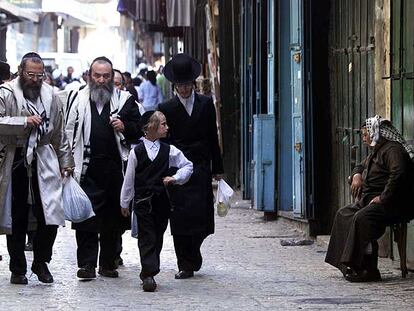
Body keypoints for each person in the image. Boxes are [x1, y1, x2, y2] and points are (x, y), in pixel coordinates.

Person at [0, 52, 74, 284]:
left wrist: (66, 161)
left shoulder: (51, 95)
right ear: (21, 71)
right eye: (30, 74)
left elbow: (59, 132)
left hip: (44, 157)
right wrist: (23, 122)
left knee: (50, 213)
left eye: (39, 75)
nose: (34, 79)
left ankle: (41, 261)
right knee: (17, 214)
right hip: (16, 157)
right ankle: (17, 268)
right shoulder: (6, 92)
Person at [65, 56, 141, 280]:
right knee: (85, 218)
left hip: (114, 168)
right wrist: (66, 163)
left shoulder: (125, 101)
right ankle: (86, 265)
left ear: (112, 78)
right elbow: (67, 133)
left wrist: (125, 126)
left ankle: (108, 263)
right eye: (96, 75)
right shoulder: (77, 99)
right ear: (89, 76)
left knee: (112, 219)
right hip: (86, 166)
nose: (100, 80)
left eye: (105, 76)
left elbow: (140, 129)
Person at [158, 53, 224, 279]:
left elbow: (212, 136)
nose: (184, 89)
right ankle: (184, 263)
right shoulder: (165, 107)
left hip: (201, 166)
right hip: (177, 169)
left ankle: (194, 251)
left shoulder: (205, 104)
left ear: (193, 84)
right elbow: (163, 141)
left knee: (200, 217)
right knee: (180, 217)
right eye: (180, 85)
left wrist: (218, 167)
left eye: (187, 85)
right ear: (174, 85)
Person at [325, 116, 414, 282]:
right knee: (343, 214)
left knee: (362, 218)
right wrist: (357, 175)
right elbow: (361, 165)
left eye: (366, 135)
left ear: (375, 134)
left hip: (392, 203)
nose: (364, 138)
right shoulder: (378, 151)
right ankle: (348, 265)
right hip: (370, 200)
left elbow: (399, 174)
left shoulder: (392, 150)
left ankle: (368, 269)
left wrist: (383, 197)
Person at [120, 110, 193, 291]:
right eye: (163, 124)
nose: (167, 127)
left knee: (158, 235)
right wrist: (125, 201)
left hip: (162, 202)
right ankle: (149, 273)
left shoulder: (169, 151)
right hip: (143, 202)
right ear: (151, 127)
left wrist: (175, 178)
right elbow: (129, 179)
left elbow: (188, 165)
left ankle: (150, 270)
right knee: (147, 236)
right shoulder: (136, 152)